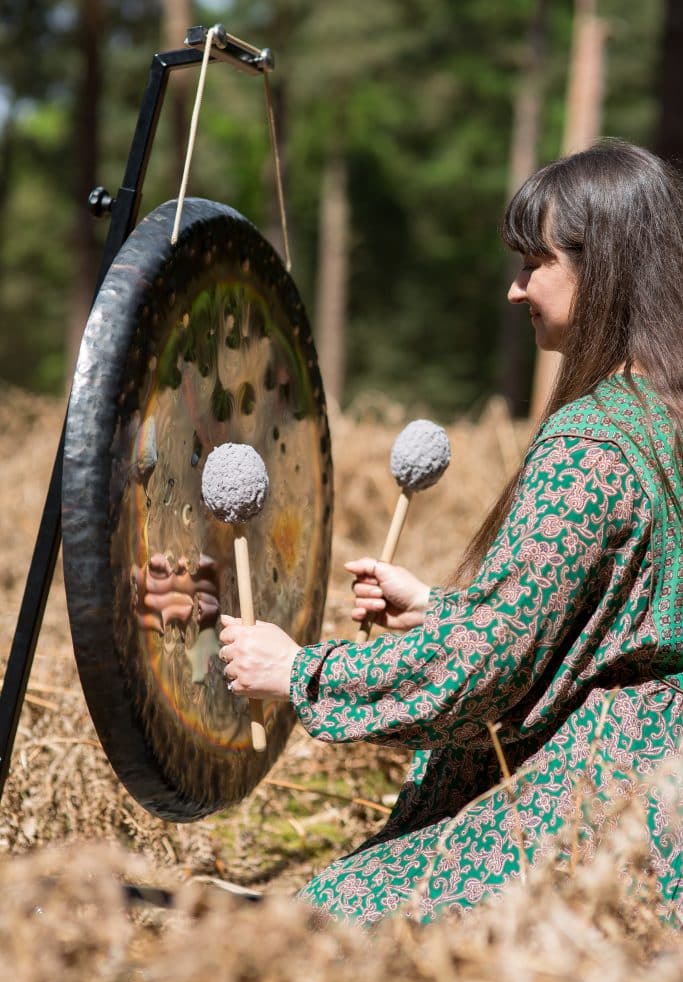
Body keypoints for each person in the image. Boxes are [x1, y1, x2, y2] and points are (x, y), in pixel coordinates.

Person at [218, 139, 683, 926]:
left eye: (532, 262)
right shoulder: (664, 417)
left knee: (328, 924)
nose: (513, 289)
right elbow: (621, 616)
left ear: (599, 267)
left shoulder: (590, 444)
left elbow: (483, 670)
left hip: (611, 817)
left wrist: (301, 673)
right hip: (660, 792)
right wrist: (441, 610)